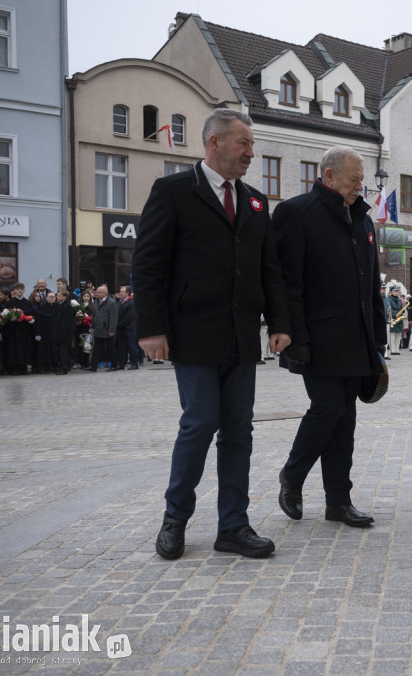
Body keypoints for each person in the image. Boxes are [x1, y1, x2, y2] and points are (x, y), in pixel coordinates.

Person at [134, 107, 291, 560]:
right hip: (192, 333)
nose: (251, 151)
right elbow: (148, 264)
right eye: (243, 143)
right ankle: (175, 518)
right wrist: (151, 328)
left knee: (239, 430)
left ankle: (233, 526)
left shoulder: (256, 201)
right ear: (214, 143)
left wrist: (279, 323)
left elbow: (269, 270)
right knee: (200, 423)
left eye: (251, 143)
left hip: (241, 336)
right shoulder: (173, 191)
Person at [274, 145, 386, 528]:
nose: (360, 185)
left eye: (362, 178)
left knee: (345, 418)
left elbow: (370, 284)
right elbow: (288, 284)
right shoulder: (295, 213)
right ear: (329, 176)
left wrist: (379, 336)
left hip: (357, 339)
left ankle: (339, 500)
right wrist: (294, 337)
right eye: (354, 178)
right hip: (316, 340)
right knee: (327, 409)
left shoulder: (362, 220)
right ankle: (292, 476)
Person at [1, 283, 33, 375]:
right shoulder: (9, 303)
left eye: (21, 289)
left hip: (24, 330)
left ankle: (23, 367)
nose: (20, 291)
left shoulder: (28, 303)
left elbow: (33, 315)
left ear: (24, 291)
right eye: (18, 289)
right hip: (13, 330)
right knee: (13, 349)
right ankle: (14, 368)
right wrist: (10, 319)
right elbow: (4, 318)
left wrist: (32, 320)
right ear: (14, 291)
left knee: (24, 348)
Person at [90, 285, 118, 371]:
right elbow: (94, 315)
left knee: (111, 348)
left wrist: (112, 330)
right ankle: (93, 366)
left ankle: (114, 365)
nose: (96, 294)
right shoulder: (97, 301)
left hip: (107, 329)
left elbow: (114, 318)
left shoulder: (112, 303)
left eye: (98, 292)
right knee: (96, 349)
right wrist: (92, 326)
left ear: (105, 293)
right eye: (96, 292)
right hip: (98, 329)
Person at [115, 285, 139, 370]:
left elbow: (129, 317)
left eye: (122, 292)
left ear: (127, 293)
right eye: (120, 291)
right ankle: (121, 363)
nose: (120, 293)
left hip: (129, 328)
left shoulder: (131, 302)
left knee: (132, 346)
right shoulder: (120, 302)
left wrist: (120, 324)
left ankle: (134, 363)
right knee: (121, 346)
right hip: (121, 328)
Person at [51, 290, 75, 374]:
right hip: (57, 333)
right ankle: (62, 366)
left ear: (64, 297)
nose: (57, 297)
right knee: (58, 351)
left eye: (59, 296)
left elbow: (66, 322)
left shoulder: (67, 307)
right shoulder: (57, 305)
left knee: (63, 352)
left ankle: (64, 368)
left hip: (63, 334)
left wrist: (62, 334)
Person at [386, 284, 405, 355]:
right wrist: (397, 313)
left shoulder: (399, 300)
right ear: (391, 292)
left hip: (399, 319)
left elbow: (401, 308)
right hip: (393, 318)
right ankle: (393, 350)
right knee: (392, 335)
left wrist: (402, 311)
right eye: (395, 291)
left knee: (398, 334)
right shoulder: (389, 299)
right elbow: (389, 310)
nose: (396, 292)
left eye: (397, 291)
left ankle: (397, 349)